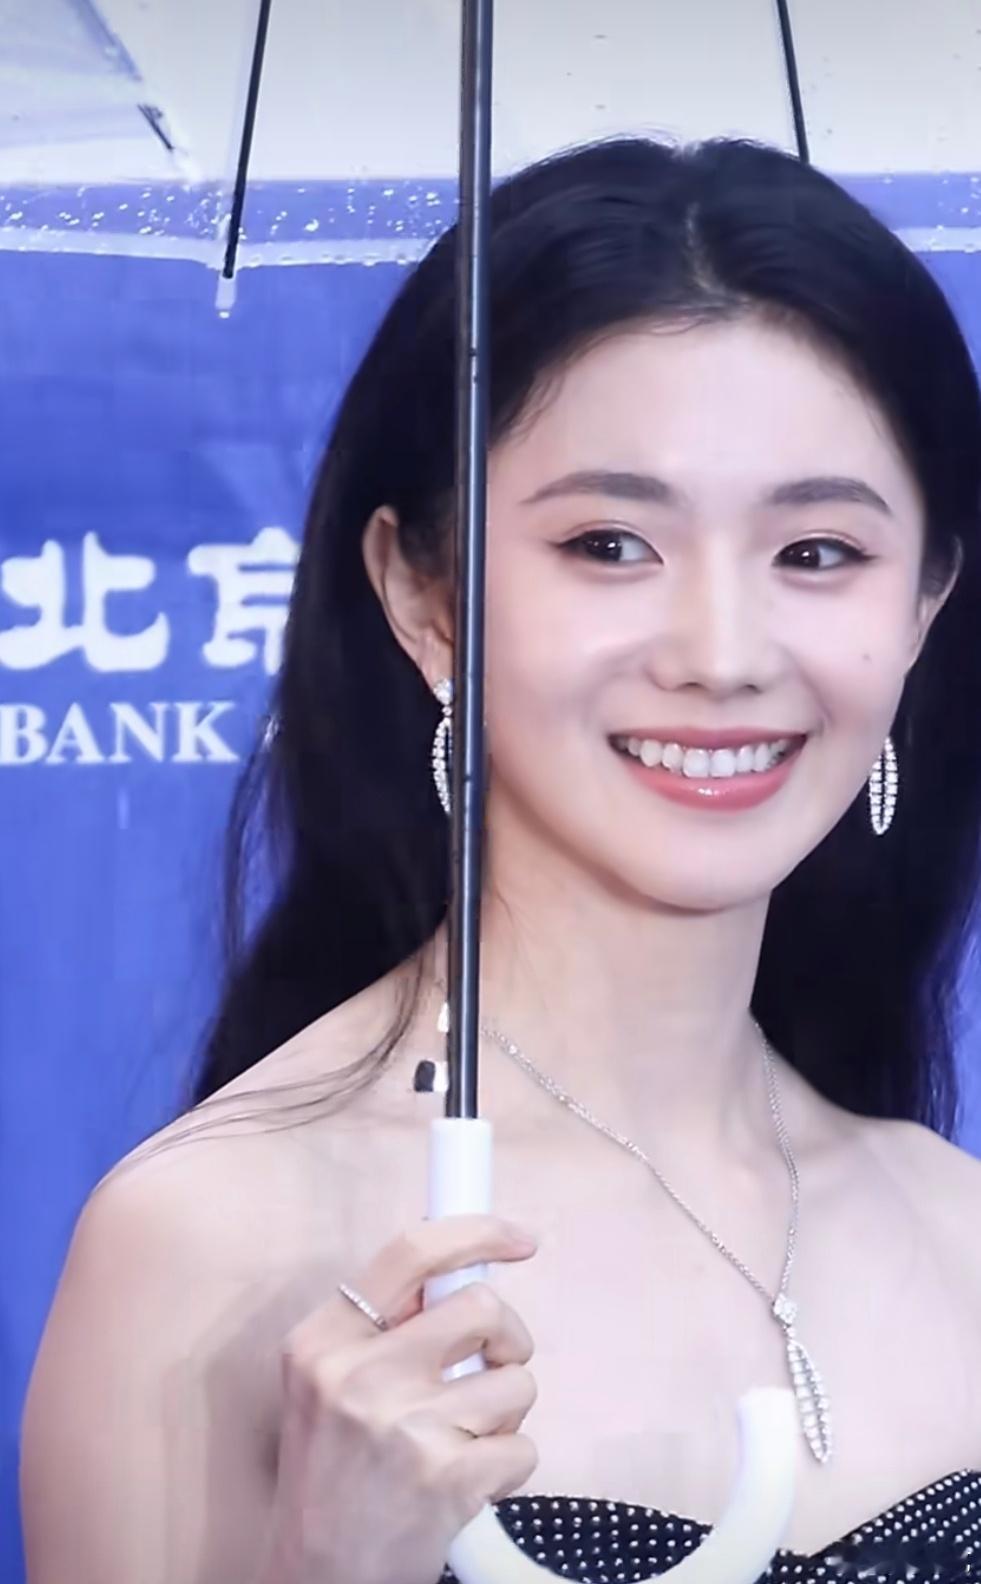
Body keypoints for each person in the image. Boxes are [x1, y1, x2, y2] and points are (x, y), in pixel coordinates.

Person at [19, 133, 981, 1584]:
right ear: (424, 597)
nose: (721, 655)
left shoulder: (955, 1228)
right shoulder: (215, 1244)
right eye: (609, 545)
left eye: (816, 553)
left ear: (925, 600)